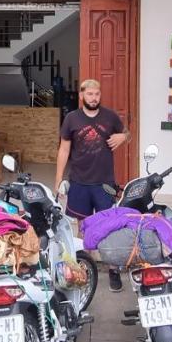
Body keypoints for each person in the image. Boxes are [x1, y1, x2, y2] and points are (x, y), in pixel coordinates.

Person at [54, 79, 129, 291]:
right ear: (81, 95)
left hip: (104, 183)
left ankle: (113, 270)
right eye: (90, 94)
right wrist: (58, 179)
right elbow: (64, 150)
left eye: (97, 94)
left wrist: (123, 136)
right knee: (83, 227)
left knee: (109, 228)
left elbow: (128, 133)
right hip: (79, 181)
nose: (94, 98)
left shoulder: (110, 116)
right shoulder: (71, 119)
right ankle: (83, 269)